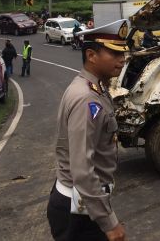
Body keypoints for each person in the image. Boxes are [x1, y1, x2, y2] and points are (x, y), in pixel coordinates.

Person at [47, 19, 129, 241]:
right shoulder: (86, 99)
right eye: (114, 54)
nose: (122, 60)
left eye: (123, 53)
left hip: (84, 203)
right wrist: (109, 222)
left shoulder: (96, 88)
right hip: (77, 210)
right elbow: (82, 171)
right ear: (92, 55)